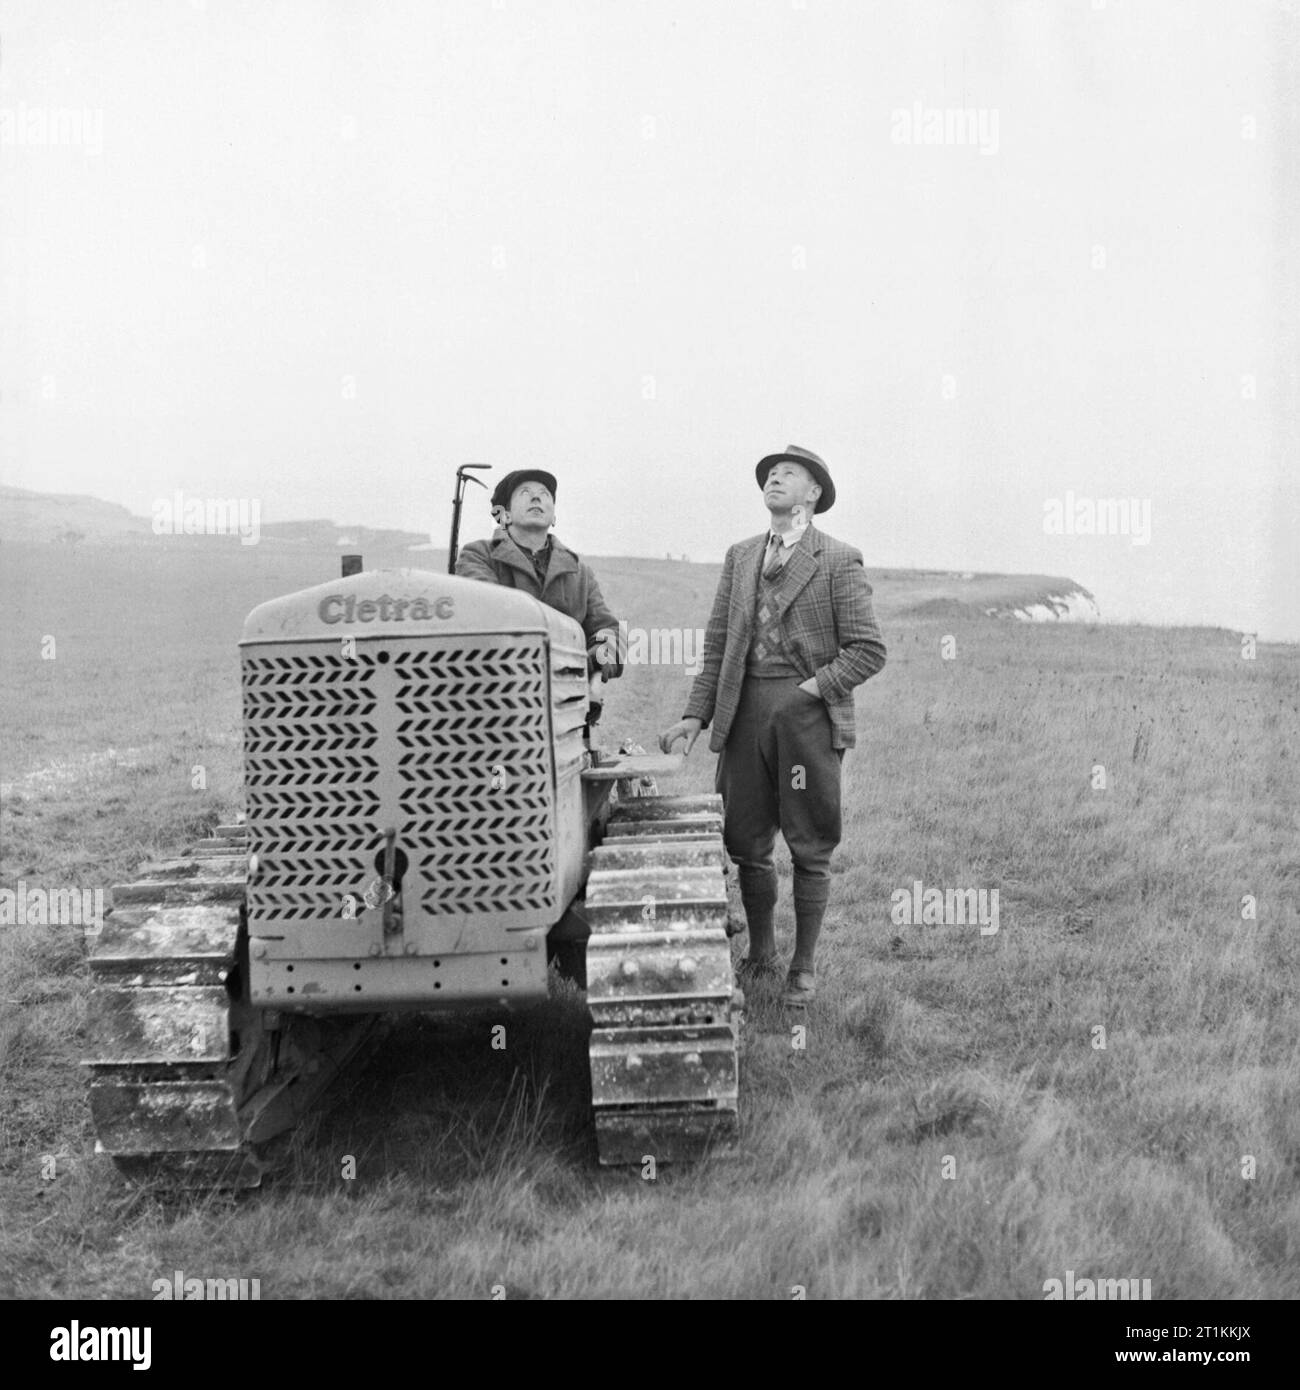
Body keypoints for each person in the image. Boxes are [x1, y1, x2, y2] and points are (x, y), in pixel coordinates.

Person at [659, 445, 886, 1005]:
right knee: (745, 840)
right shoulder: (740, 557)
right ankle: (761, 954)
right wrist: (695, 716)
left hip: (805, 715)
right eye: (769, 474)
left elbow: (867, 650)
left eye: (789, 473)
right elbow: (717, 647)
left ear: (813, 494)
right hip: (744, 714)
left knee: (810, 842)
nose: (775, 478)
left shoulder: (838, 558)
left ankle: (802, 968)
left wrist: (810, 691)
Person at [455, 469, 623, 686]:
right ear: (504, 515)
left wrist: (594, 664)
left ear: (553, 517)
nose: (536, 497)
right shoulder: (478, 556)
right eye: (525, 493)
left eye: (545, 494)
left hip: (567, 702)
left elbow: (610, 632)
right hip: (497, 694)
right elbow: (488, 614)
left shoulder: (580, 573)